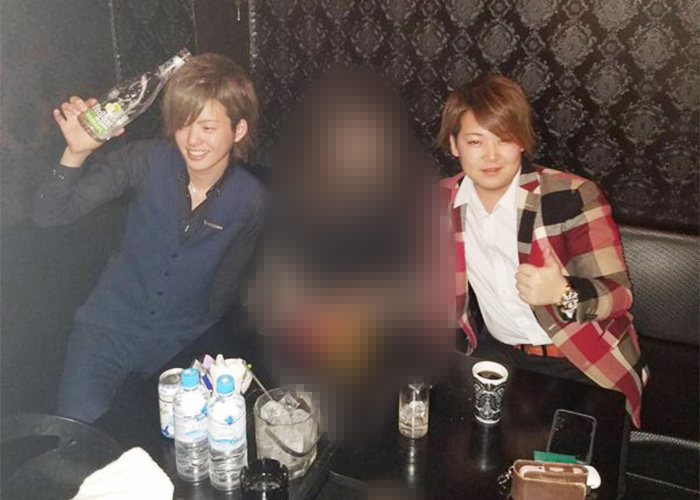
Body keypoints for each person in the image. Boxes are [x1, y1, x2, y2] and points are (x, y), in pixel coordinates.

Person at [33, 53, 266, 423]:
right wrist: (76, 152)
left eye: (207, 127)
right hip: (108, 328)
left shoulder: (251, 199)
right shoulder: (143, 161)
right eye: (183, 123)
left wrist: (209, 344)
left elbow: (226, 285)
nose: (192, 139)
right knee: (78, 433)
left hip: (179, 341)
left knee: (183, 439)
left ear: (238, 130)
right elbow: (49, 214)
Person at [436, 74, 648, 428]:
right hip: (498, 354)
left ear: (521, 141)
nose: (491, 155)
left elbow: (620, 295)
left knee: (573, 459)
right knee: (454, 440)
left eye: (505, 139)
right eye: (475, 141)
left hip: (579, 357)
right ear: (455, 145)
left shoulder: (570, 196)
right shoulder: (441, 201)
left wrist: (562, 292)